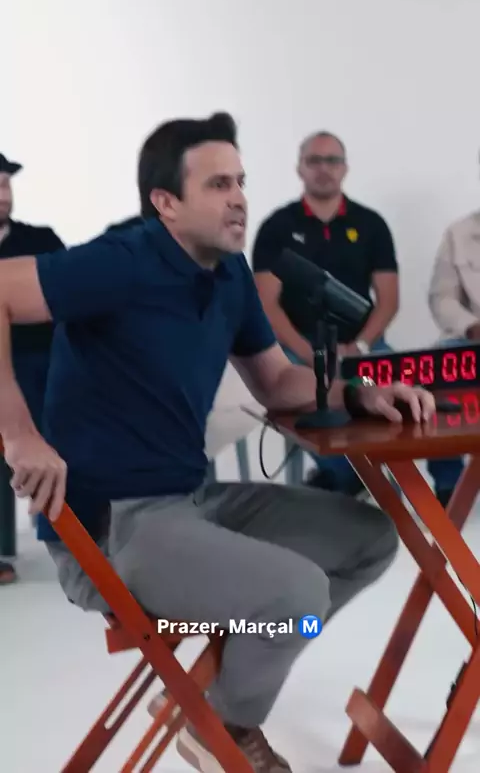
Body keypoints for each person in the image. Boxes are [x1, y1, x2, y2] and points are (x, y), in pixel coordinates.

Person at [0, 113, 435, 772]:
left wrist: (358, 391)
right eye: (218, 184)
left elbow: (277, 381)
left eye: (241, 181)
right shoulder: (121, 261)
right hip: (113, 529)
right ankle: (223, 726)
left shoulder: (230, 274)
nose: (238, 198)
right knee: (296, 597)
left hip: (190, 500)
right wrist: (19, 434)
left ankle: (216, 698)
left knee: (369, 540)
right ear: (166, 202)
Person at [252, 132, 399, 495]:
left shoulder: (371, 224)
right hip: (297, 349)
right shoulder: (277, 227)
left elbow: (388, 300)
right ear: (299, 169)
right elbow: (266, 304)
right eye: (314, 161)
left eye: (332, 160)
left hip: (361, 349)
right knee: (297, 393)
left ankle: (377, 478)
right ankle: (350, 478)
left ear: (344, 168)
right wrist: (309, 353)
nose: (324, 169)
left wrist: (360, 347)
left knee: (393, 390)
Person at [0, 153, 64, 584]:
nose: (2, 194)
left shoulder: (40, 240)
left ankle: (69, 534)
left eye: (5, 185)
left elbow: (69, 306)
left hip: (40, 366)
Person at [425, 212, 478, 504]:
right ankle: (449, 484)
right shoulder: (458, 233)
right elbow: (441, 297)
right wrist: (472, 326)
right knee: (437, 365)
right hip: (472, 340)